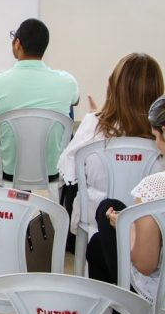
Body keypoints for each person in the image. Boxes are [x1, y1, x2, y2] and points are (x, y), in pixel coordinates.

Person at [87, 94, 165, 314]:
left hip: (157, 292)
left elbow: (146, 264)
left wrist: (125, 227)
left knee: (102, 226)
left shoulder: (155, 187)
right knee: (108, 224)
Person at [58, 53, 164, 235]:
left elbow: (69, 171)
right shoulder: (160, 136)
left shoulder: (92, 124)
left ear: (114, 86)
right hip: (150, 226)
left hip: (95, 220)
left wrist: (96, 120)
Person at [0, 18, 79, 179]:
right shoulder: (68, 81)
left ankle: (12, 199)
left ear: (17, 43)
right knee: (68, 105)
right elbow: (75, 100)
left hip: (8, 171)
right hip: (53, 170)